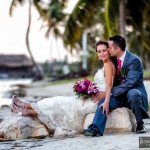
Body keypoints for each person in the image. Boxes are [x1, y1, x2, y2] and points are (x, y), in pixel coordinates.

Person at [11, 40, 116, 133]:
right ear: (97, 54)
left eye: (104, 50)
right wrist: (88, 90)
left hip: (96, 102)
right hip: (95, 98)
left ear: (109, 51)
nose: (102, 53)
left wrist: (104, 99)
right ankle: (27, 110)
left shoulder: (107, 65)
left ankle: (26, 105)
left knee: (59, 102)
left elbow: (109, 86)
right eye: (99, 51)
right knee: (59, 105)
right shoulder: (108, 64)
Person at [83, 35, 149, 137]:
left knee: (132, 94)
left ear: (117, 49)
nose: (108, 50)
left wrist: (107, 93)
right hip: (121, 95)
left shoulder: (134, 60)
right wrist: (105, 96)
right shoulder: (113, 59)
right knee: (104, 102)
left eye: (109, 47)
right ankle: (96, 128)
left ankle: (140, 124)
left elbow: (129, 84)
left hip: (135, 93)